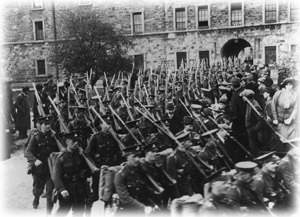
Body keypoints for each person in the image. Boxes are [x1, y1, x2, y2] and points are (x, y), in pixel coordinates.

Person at [24, 116, 60, 212]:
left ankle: (48, 212)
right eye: (45, 124)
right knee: (38, 190)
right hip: (39, 169)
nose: (48, 126)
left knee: (49, 192)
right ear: (40, 126)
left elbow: (60, 150)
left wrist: (57, 137)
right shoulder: (35, 137)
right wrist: (35, 160)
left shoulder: (53, 137)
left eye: (49, 124)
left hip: (50, 169)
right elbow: (27, 152)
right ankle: (36, 198)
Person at [53, 131, 92, 216]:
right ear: (67, 142)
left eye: (77, 141)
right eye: (73, 141)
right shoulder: (61, 158)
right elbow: (56, 176)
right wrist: (61, 189)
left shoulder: (81, 155)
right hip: (67, 188)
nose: (76, 143)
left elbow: (88, 170)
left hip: (80, 188)